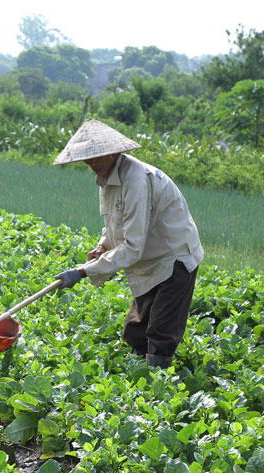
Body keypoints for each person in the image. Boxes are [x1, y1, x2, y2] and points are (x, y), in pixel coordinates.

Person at [52, 119, 204, 369]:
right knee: (137, 327)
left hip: (173, 257)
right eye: (87, 159)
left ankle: (155, 384)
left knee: (161, 328)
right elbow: (115, 223)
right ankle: (137, 375)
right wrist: (103, 246)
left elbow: (132, 247)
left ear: (113, 152)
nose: (91, 163)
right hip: (147, 256)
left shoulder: (136, 180)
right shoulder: (107, 178)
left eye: (96, 156)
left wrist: (83, 272)